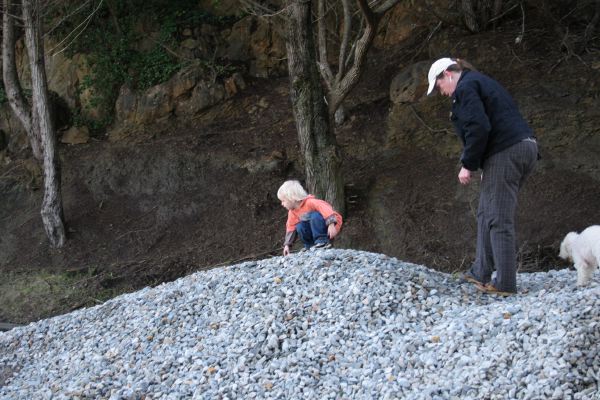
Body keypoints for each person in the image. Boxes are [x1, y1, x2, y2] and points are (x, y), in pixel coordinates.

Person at [426, 57, 538, 295]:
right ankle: (480, 271)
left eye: (439, 86)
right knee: (486, 212)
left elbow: (478, 126)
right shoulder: (480, 82)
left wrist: (468, 164)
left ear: (447, 74)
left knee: (498, 217)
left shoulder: (465, 87)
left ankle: (505, 283)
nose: (441, 92)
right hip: (522, 148)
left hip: (507, 151)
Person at [277, 180, 343, 256]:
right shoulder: (292, 212)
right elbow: (291, 228)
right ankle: (310, 246)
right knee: (299, 226)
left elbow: (327, 210)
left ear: (292, 198)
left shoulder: (311, 202)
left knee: (315, 216)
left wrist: (331, 224)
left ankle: (322, 241)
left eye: (283, 201)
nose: (282, 204)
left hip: (329, 225)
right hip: (313, 228)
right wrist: (287, 245)